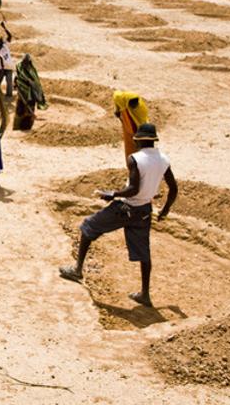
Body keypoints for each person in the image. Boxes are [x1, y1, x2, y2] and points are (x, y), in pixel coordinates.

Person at [59, 123, 178, 308]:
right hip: (144, 210)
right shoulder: (164, 159)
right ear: (153, 140)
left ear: (138, 140)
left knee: (88, 227)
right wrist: (165, 210)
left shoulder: (135, 159)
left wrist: (112, 194)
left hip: (126, 208)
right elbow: (173, 188)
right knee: (144, 253)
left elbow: (133, 189)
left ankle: (77, 269)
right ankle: (145, 294)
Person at [13, 54, 47, 130]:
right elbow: (16, 78)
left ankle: (26, 127)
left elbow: (35, 83)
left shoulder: (32, 70)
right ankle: (18, 127)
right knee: (20, 111)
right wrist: (15, 84)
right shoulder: (19, 67)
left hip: (30, 95)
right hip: (21, 94)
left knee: (28, 112)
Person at [113, 91, 149, 160]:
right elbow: (115, 97)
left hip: (138, 128)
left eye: (135, 104)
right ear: (127, 102)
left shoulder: (141, 109)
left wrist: (137, 133)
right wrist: (117, 109)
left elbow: (142, 123)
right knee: (130, 146)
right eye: (132, 104)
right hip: (128, 123)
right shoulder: (119, 97)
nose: (134, 106)